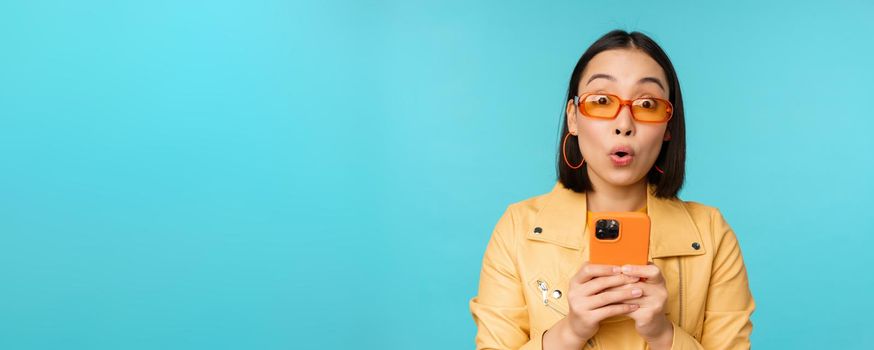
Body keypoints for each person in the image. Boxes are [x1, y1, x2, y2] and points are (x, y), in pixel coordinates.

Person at [469, 30, 755, 350]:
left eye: (647, 103)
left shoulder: (711, 233)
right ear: (573, 119)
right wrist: (570, 332)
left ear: (668, 128)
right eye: (602, 100)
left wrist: (663, 334)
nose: (624, 123)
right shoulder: (516, 229)